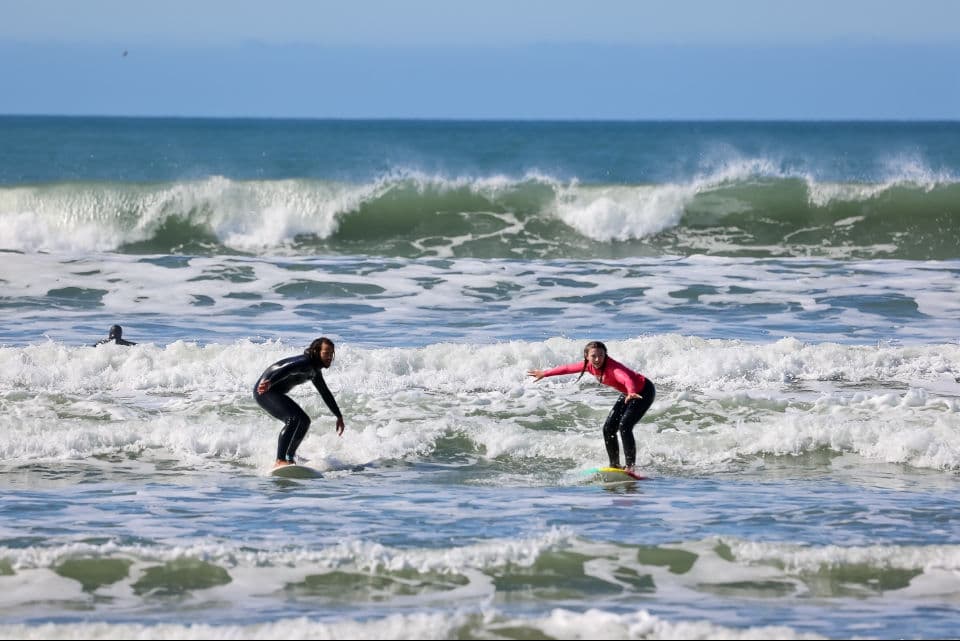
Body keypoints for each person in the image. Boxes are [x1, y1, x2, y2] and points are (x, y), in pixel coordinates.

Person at [527, 340, 655, 472]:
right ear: (587, 356)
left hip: (642, 392)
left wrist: (631, 391)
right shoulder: (588, 366)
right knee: (608, 428)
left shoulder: (612, 368)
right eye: (594, 356)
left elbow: (626, 378)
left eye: (601, 355)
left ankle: (630, 467)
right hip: (628, 393)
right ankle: (615, 465)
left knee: (625, 426)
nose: (598, 359)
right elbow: (566, 368)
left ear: (605, 355)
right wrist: (545, 373)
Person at [254, 337, 345, 468]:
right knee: (293, 419)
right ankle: (280, 460)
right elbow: (287, 369)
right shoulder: (305, 362)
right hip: (264, 391)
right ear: (316, 352)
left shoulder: (314, 371)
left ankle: (289, 457)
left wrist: (338, 416)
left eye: (331, 353)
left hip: (274, 392)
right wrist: (270, 382)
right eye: (326, 353)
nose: (330, 357)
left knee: (304, 421)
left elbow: (325, 393)